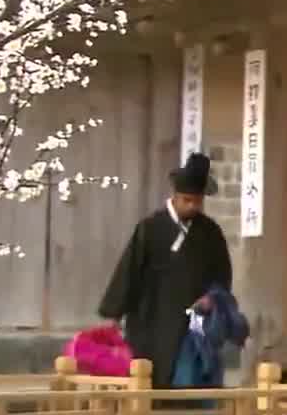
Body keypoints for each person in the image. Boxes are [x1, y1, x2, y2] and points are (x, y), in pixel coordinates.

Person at [98, 152, 234, 390]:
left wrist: (212, 298)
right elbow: (129, 271)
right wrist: (115, 314)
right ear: (175, 196)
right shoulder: (150, 228)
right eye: (187, 200)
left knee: (188, 380)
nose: (192, 206)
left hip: (193, 323)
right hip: (151, 317)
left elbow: (222, 276)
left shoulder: (210, 232)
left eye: (197, 201)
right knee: (149, 377)